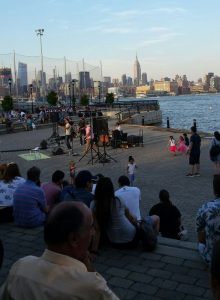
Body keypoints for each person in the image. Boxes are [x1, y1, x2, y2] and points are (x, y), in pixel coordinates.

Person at [0, 202, 119, 300]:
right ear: (73, 239)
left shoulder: (21, 267)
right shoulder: (91, 286)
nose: (93, 232)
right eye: (91, 227)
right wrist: (90, 270)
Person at [92, 177, 139, 249]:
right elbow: (131, 218)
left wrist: (94, 250)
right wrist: (138, 227)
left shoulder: (94, 205)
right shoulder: (118, 200)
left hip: (113, 240)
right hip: (131, 238)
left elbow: (97, 229)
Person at [196, 174, 220, 265]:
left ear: (214, 191)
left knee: (201, 245)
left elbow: (200, 235)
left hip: (213, 258)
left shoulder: (206, 207)